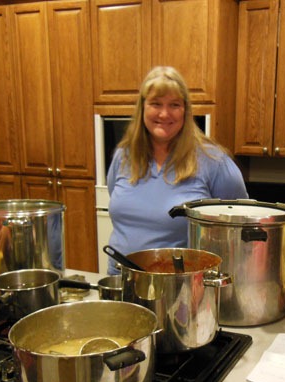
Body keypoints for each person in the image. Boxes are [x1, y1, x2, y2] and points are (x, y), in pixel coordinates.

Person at [106, 66, 248, 274]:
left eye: (174, 105)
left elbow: (242, 225)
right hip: (119, 279)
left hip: (179, 286)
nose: (164, 113)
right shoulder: (124, 156)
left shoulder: (213, 161)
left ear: (185, 111)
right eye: (156, 103)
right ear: (142, 108)